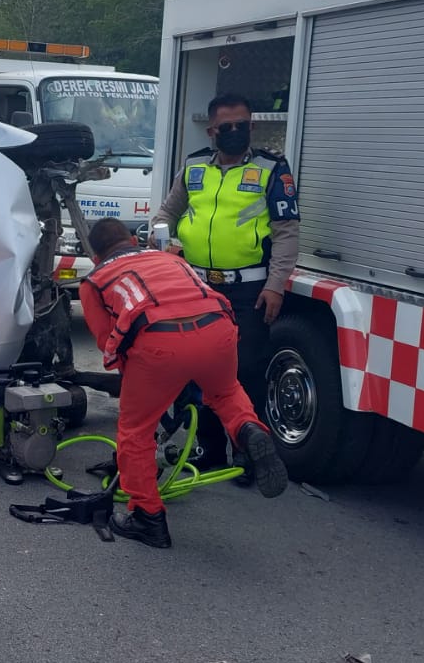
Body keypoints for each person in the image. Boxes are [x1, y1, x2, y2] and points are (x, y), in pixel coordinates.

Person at [78, 218, 289, 549]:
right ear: (135, 240)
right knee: (225, 392)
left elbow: (110, 343)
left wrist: (142, 384)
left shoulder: (95, 281)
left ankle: (147, 518)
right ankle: (249, 432)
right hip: (218, 327)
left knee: (136, 431)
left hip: (158, 341)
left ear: (95, 257)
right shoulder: (171, 257)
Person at [150, 94, 300, 476]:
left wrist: (276, 285)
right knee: (201, 370)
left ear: (251, 126)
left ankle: (249, 456)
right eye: (227, 127)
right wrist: (162, 240)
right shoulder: (194, 165)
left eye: (243, 125)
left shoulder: (271, 169)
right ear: (212, 130)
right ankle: (211, 451)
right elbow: (168, 211)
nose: (236, 133)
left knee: (245, 372)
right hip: (196, 288)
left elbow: (285, 233)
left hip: (249, 291)